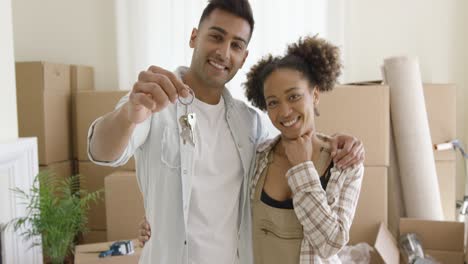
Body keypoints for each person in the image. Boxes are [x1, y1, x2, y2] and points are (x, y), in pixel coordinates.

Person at [89, 1, 364, 263]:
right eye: (216, 37)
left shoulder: (250, 123)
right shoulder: (152, 101)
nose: (223, 52)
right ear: (194, 37)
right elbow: (102, 153)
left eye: (236, 45)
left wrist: (343, 142)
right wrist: (128, 115)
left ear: (243, 58)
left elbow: (293, 130)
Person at [244, 36, 364, 263]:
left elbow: (330, 244)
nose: (285, 111)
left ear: (315, 95)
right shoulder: (258, 157)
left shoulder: (344, 164)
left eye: (294, 96)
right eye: (273, 102)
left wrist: (302, 167)